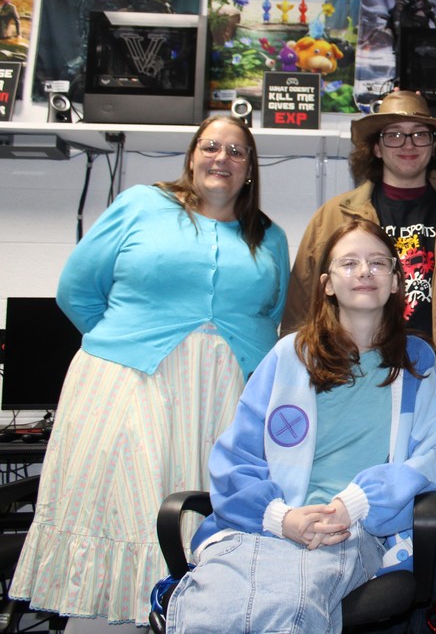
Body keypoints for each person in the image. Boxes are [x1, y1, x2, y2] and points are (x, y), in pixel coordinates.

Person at [10, 115, 290, 627]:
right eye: (211, 146)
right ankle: (107, 617)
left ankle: (194, 615)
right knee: (129, 508)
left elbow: (270, 315)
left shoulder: (269, 236)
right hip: (129, 382)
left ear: (250, 168)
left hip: (223, 397)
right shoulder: (141, 204)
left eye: (237, 151)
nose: (222, 158)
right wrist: (125, 344)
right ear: (192, 156)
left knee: (201, 516)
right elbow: (76, 291)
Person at [165, 219, 436, 633]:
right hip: (265, 526)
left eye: (378, 263)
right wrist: (280, 517)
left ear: (396, 282)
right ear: (327, 284)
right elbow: (236, 458)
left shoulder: (416, 361)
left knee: (290, 607)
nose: (364, 272)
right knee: (209, 611)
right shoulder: (290, 355)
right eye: (349, 263)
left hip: (347, 531)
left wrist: (357, 502)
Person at [284, 90, 436, 367]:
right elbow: (300, 309)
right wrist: (296, 370)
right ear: (376, 147)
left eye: (420, 134)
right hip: (354, 374)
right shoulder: (331, 219)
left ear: (434, 145)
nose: (408, 144)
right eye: (394, 135)